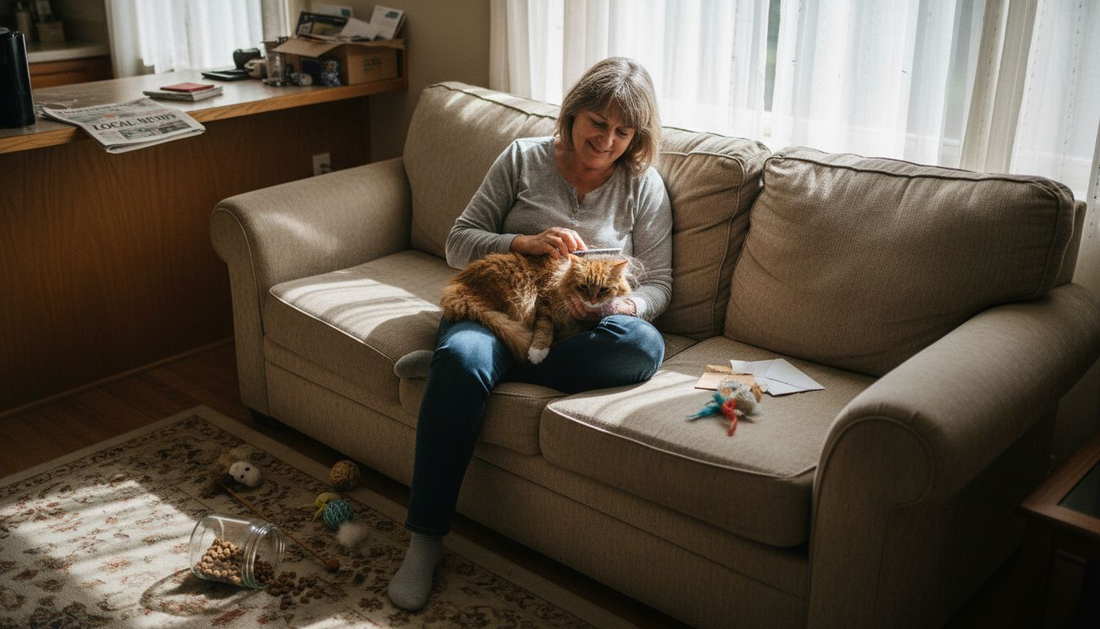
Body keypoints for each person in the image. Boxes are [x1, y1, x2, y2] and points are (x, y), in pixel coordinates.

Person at [387, 57, 673, 611]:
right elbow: (457, 241)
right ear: (572, 115)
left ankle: (459, 369)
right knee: (471, 351)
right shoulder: (523, 157)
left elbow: (660, 283)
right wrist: (520, 243)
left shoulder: (643, 185)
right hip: (503, 308)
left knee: (643, 347)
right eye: (597, 123)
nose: (607, 141)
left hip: (588, 328)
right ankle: (425, 539)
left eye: (623, 131)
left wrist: (624, 304)